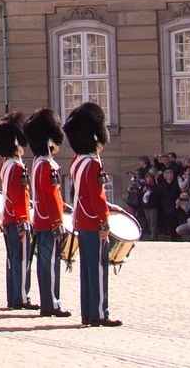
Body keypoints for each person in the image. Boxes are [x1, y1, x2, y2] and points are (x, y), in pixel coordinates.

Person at [65, 102, 120, 328]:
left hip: (82, 220)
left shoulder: (77, 162)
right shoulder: (93, 164)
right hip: (93, 222)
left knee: (87, 269)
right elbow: (96, 198)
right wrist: (104, 222)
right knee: (98, 268)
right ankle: (99, 312)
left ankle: (88, 312)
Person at [22, 108, 70, 318]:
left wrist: (64, 207)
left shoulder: (40, 163)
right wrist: (58, 220)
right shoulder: (46, 165)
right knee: (49, 263)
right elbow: (49, 196)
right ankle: (50, 302)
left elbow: (52, 195)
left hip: (43, 219)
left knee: (47, 262)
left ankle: (50, 300)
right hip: (48, 221)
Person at [0, 112, 32, 309]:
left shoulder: (4, 164)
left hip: (8, 217)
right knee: (21, 259)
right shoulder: (17, 167)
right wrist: (24, 219)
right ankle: (21, 297)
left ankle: (14, 296)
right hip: (17, 219)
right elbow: (19, 197)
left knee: (13, 258)